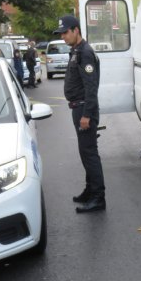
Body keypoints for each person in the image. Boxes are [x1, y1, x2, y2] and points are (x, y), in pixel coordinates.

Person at [53, 14, 105, 213]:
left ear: (76, 30)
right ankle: (90, 190)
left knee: (90, 154)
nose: (63, 36)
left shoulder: (85, 53)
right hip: (79, 107)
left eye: (66, 32)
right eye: (61, 33)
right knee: (85, 153)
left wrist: (87, 115)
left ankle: (98, 198)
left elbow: (91, 87)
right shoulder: (76, 50)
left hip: (84, 109)